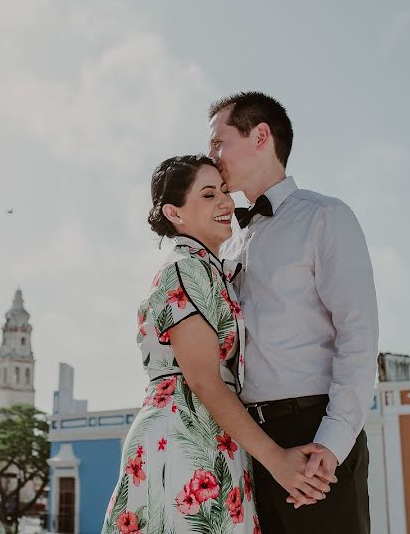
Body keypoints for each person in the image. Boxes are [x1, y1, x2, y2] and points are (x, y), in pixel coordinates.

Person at [101, 154, 334, 534]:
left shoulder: (210, 269)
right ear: (175, 213)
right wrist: (276, 459)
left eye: (224, 191)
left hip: (213, 435)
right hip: (184, 436)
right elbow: (205, 380)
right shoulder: (184, 269)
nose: (226, 202)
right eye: (208, 195)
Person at [208, 92, 379, 533]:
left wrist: (331, 445)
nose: (210, 156)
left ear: (260, 135)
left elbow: (358, 334)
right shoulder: (228, 243)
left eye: (218, 142)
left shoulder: (325, 217)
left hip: (315, 436)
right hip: (252, 445)